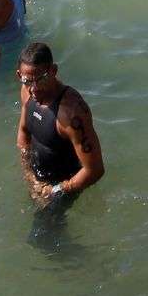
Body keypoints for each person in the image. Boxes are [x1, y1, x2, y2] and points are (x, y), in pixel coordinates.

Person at [16, 42, 105, 208]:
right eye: (28, 81)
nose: (34, 89)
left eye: (40, 79)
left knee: (43, 225)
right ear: (19, 75)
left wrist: (55, 191)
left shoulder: (71, 113)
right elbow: (23, 134)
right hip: (37, 180)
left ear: (53, 71)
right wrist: (30, 177)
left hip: (63, 185)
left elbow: (94, 170)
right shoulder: (26, 91)